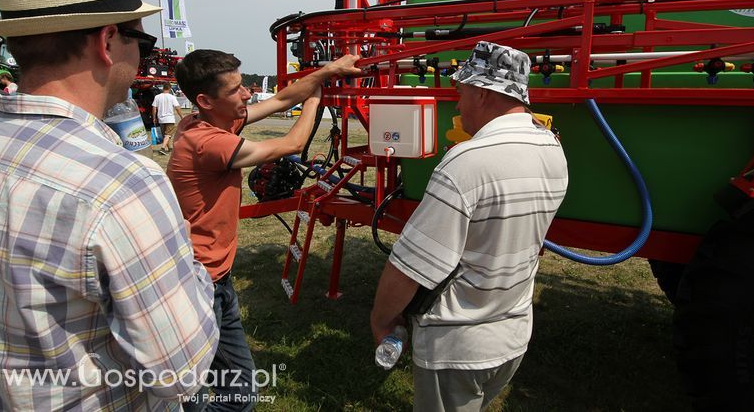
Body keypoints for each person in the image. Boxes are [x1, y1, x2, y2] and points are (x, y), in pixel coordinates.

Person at [0, 0, 219, 410]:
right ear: (108, 40)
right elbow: (182, 369)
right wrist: (192, 269)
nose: (144, 57)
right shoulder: (121, 185)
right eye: (142, 39)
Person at [370, 41, 569, 411]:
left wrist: (382, 320)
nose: (458, 104)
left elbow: (410, 267)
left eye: (461, 93)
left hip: (457, 346)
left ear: (481, 93)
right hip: (512, 337)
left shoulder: (468, 160)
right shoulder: (552, 147)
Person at [167, 49, 361, 410]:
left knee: (239, 395)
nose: (247, 94)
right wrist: (314, 102)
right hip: (197, 284)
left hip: (216, 280)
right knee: (192, 395)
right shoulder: (208, 142)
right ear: (205, 101)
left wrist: (327, 70)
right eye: (237, 90)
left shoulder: (212, 122)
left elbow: (281, 98)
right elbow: (292, 145)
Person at [152, 81, 184, 154]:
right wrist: (181, 116)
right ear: (170, 88)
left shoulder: (157, 97)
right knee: (168, 135)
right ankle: (163, 148)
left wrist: (154, 118)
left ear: (163, 88)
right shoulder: (172, 97)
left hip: (161, 118)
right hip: (170, 118)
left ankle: (169, 148)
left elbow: (154, 108)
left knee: (165, 135)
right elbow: (177, 107)